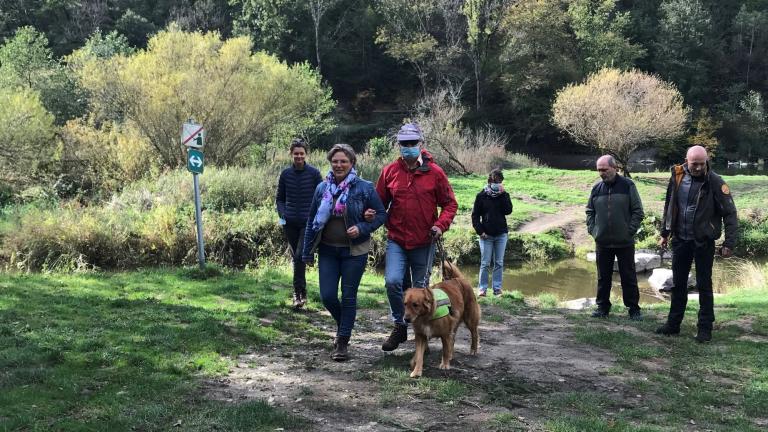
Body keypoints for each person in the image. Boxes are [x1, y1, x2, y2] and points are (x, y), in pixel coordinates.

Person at [374, 123, 458, 352]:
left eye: (412, 143)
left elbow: (450, 204)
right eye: (404, 144)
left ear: (421, 144)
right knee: (393, 281)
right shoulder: (390, 171)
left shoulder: (436, 173)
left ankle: (423, 333)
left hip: (424, 241)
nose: (408, 147)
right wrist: (369, 213)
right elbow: (378, 203)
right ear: (399, 145)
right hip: (397, 239)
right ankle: (400, 326)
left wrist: (441, 225)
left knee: (420, 290)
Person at [302, 144, 387, 361]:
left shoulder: (364, 187)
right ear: (330, 163)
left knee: (348, 297)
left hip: (354, 251)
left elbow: (380, 215)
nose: (339, 165)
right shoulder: (322, 188)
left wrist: (362, 227)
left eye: (344, 161)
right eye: (335, 161)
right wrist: (307, 252)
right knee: (328, 295)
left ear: (352, 163)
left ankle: (342, 342)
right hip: (328, 250)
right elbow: (312, 219)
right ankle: (344, 325)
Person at [656, 145, 738, 343]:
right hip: (681, 240)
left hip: (704, 241)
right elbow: (670, 205)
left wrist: (729, 242)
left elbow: (730, 213)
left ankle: (704, 329)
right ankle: (673, 325)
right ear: (687, 160)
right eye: (695, 164)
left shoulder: (716, 182)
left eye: (702, 164)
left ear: (707, 161)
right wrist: (665, 233)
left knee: (704, 284)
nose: (699, 168)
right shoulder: (677, 176)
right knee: (678, 283)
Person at [586, 155, 644, 320]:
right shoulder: (596, 189)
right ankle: (602, 308)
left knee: (629, 276)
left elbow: (638, 211)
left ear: (614, 168)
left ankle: (634, 309)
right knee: (603, 277)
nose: (601, 173)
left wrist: (629, 231)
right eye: (599, 170)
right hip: (602, 242)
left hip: (624, 242)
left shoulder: (628, 185)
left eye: (604, 169)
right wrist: (594, 230)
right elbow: (589, 211)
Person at [276, 138, 322, 309]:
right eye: (296, 153)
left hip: (308, 224)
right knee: (297, 259)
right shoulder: (285, 174)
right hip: (289, 224)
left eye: (301, 153)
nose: (299, 156)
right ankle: (301, 293)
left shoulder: (314, 174)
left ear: (306, 154)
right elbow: (280, 199)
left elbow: (323, 197)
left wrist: (318, 217)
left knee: (298, 257)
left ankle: (298, 294)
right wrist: (282, 214)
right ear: (291, 154)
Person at [471, 168, 513, 297]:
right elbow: (475, 216)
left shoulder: (504, 195)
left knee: (499, 262)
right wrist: (480, 231)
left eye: (500, 181)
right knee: (485, 263)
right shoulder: (481, 195)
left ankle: (497, 289)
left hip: (501, 234)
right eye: (496, 181)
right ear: (490, 180)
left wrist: (503, 194)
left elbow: (508, 211)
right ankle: (482, 289)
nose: (498, 183)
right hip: (486, 235)